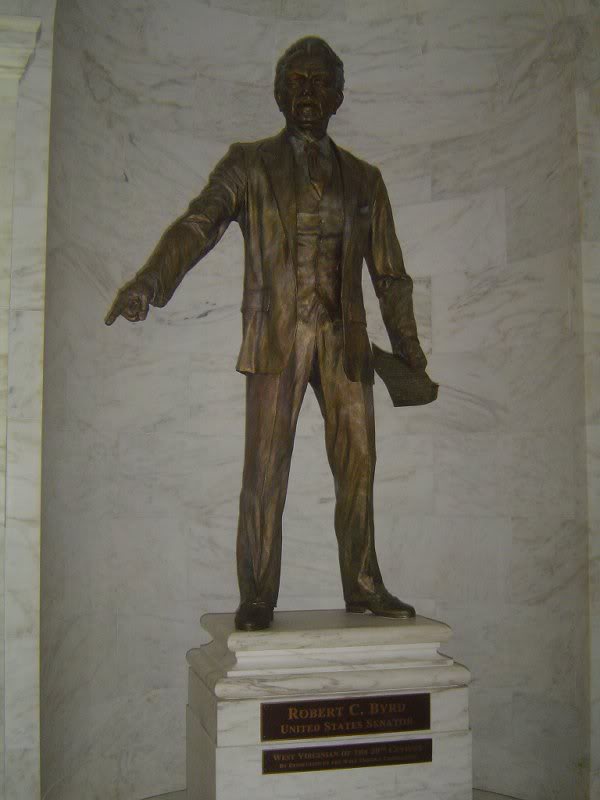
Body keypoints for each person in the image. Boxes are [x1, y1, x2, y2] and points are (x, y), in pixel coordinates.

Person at [105, 37, 427, 631]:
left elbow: (390, 274)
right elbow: (198, 224)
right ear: (280, 92)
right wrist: (149, 283)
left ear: (338, 96)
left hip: (344, 342)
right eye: (296, 80)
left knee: (359, 466)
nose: (306, 92)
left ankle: (362, 583)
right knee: (265, 468)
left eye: (319, 82)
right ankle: (257, 594)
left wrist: (410, 352)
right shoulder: (248, 163)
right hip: (277, 339)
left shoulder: (366, 180)